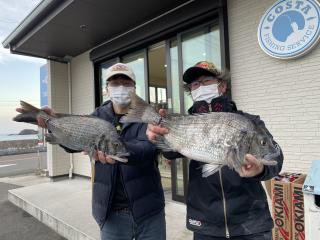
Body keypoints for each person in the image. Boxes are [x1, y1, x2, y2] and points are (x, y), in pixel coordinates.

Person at [23, 63, 166, 240]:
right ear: (107, 89)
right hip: (110, 212)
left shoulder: (148, 115)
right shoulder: (97, 116)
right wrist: (52, 124)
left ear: (134, 87)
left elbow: (148, 150)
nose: (120, 86)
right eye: (114, 83)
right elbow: (74, 143)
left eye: (125, 82)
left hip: (149, 211)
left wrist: (114, 148)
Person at [146, 61, 283, 240]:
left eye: (207, 81)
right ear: (191, 92)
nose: (200, 87)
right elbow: (171, 152)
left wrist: (261, 170)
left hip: (252, 223)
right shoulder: (187, 123)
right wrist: (158, 134)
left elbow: (275, 155)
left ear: (222, 85)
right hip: (205, 224)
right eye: (195, 84)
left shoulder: (249, 122)